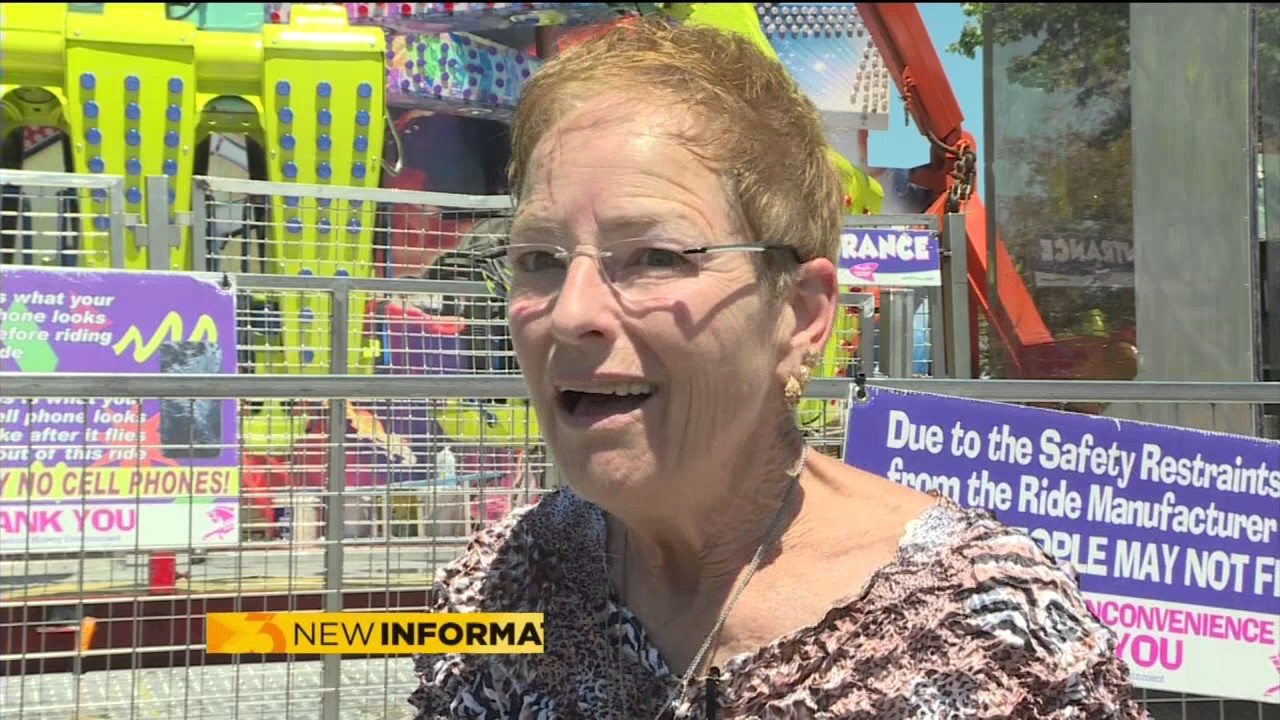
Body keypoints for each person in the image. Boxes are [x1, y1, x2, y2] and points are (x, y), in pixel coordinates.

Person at [409, 16, 1149, 720]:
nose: (572, 313)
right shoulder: (497, 588)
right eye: (539, 259)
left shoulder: (987, 630)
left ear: (799, 315)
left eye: (655, 257)